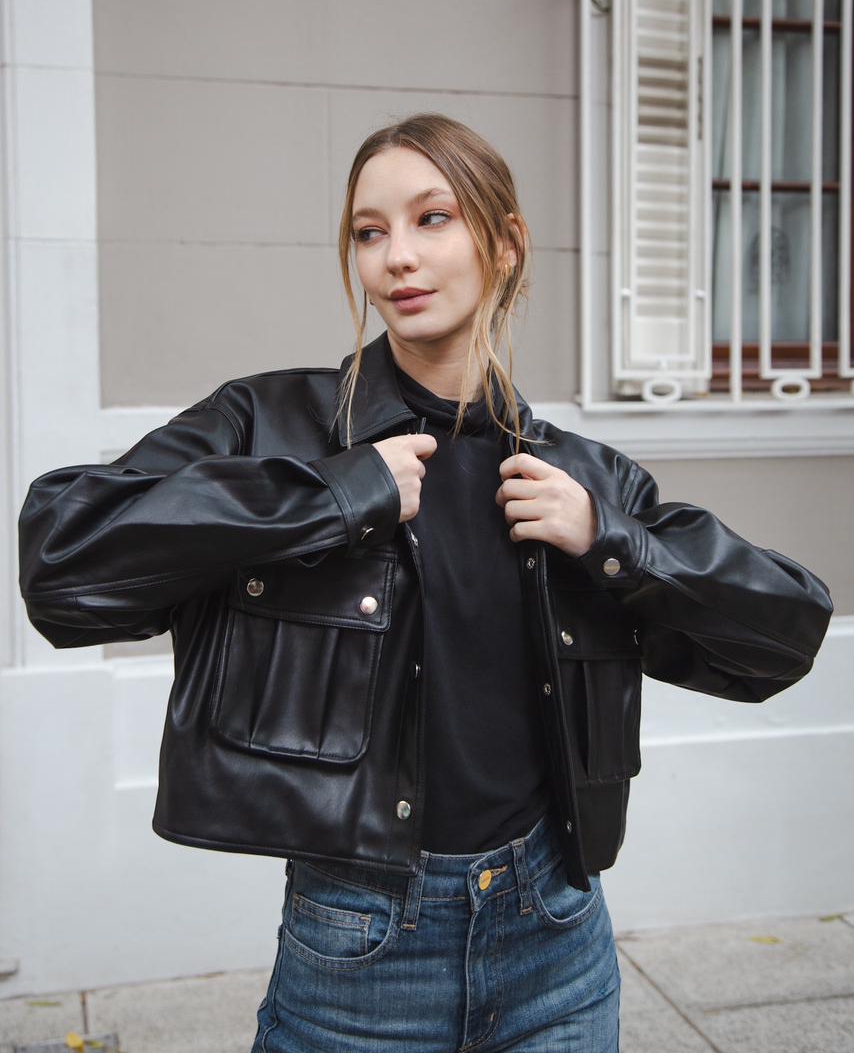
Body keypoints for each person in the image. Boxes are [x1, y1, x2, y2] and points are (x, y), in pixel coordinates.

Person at [18, 113, 833, 1052]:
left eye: (431, 218)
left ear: (505, 242)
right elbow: (61, 559)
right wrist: (334, 494)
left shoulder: (581, 481)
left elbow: (784, 635)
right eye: (371, 232)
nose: (396, 257)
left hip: (558, 940)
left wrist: (611, 541)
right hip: (361, 950)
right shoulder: (273, 424)